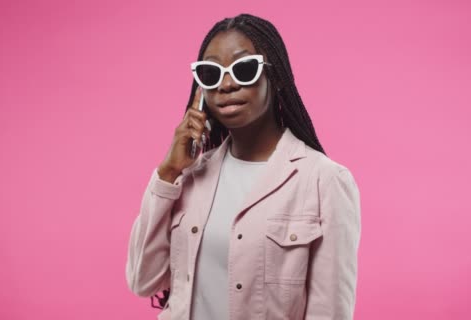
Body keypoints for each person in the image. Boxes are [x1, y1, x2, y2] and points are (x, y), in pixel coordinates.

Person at [126, 13, 361, 320]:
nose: (225, 84)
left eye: (244, 69)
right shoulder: (189, 177)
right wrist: (168, 172)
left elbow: (329, 312)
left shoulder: (324, 181)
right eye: (211, 73)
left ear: (274, 78)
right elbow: (143, 280)